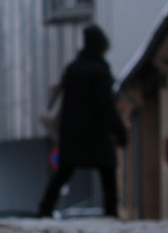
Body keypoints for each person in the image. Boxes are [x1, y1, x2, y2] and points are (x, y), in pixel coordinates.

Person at [37, 24, 128, 218]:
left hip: (72, 133)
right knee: (107, 174)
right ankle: (111, 214)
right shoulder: (100, 71)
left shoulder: (72, 69)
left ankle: (44, 209)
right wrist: (120, 131)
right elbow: (105, 105)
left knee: (63, 173)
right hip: (97, 133)